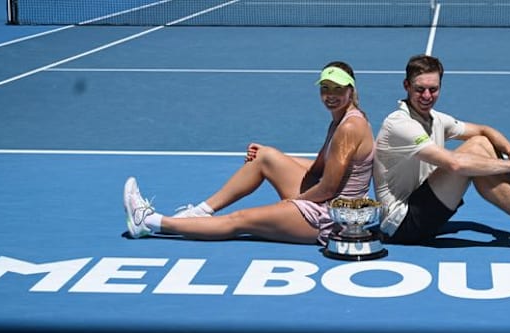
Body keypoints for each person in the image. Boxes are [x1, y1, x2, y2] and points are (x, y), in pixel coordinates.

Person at [123, 61, 375, 246]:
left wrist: (293, 203)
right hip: (325, 201)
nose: (330, 95)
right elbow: (320, 168)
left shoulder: (350, 126)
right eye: (325, 88)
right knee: (265, 157)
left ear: (351, 90)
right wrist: (271, 154)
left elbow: (328, 187)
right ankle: (200, 212)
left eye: (337, 89)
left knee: (240, 221)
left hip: (330, 217)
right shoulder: (339, 120)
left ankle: (150, 221)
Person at [373, 54, 510, 252]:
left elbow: (484, 130)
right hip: (401, 225)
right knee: (474, 152)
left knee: (481, 142)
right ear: (406, 86)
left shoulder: (436, 119)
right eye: (420, 89)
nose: (427, 95)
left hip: (423, 210)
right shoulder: (399, 124)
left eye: (434, 89)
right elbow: (455, 165)